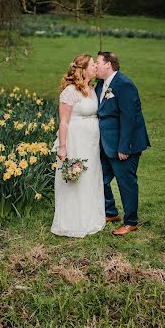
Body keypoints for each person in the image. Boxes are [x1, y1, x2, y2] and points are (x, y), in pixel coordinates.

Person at [95, 51, 150, 236]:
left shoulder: (124, 85)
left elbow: (130, 118)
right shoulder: (101, 84)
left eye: (98, 63)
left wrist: (125, 147)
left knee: (126, 183)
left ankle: (130, 222)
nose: (95, 66)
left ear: (108, 65)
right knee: (99, 179)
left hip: (123, 146)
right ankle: (111, 212)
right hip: (106, 144)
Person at [51, 54, 105, 238]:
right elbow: (64, 122)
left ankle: (90, 218)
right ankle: (72, 222)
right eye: (92, 65)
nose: (95, 67)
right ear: (83, 69)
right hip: (76, 140)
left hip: (91, 142)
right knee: (76, 177)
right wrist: (63, 147)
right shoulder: (70, 91)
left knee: (91, 176)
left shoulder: (92, 88)